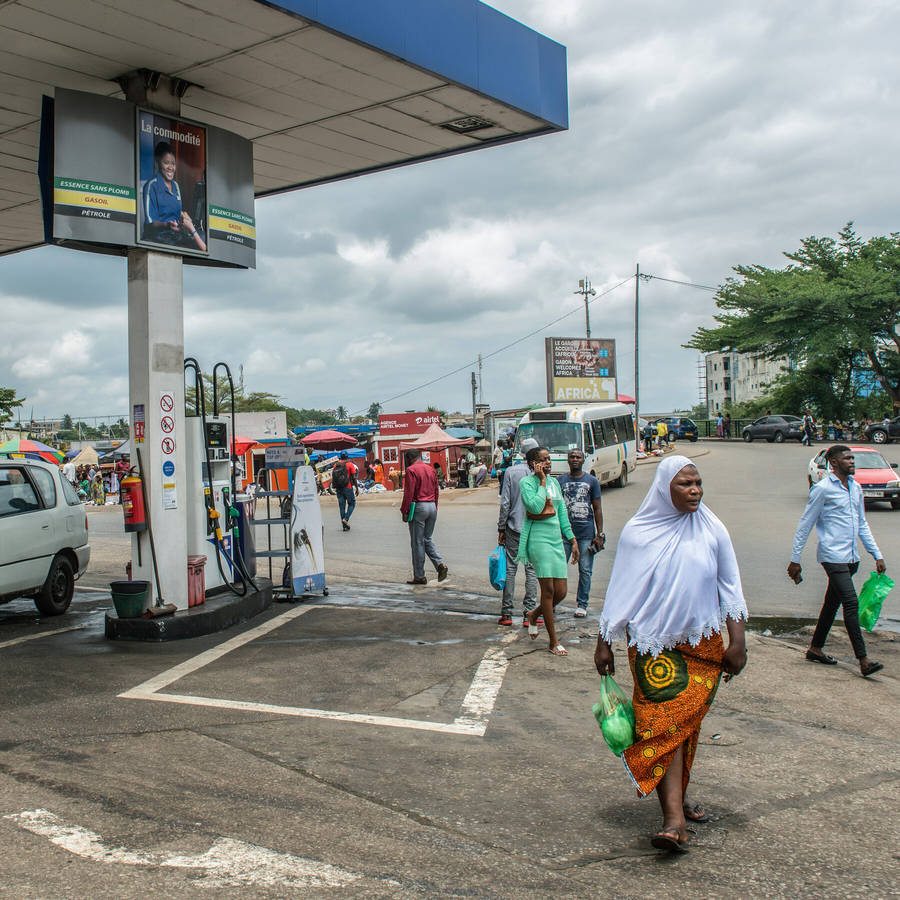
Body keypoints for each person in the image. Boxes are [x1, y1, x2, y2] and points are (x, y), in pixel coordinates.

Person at [594, 455, 748, 852]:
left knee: (683, 727)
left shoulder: (713, 529)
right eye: (685, 484)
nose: (695, 491)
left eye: (698, 483)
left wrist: (738, 641)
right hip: (653, 650)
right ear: (665, 489)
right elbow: (621, 590)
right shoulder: (638, 533)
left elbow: (730, 587)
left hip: (703, 648)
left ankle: (678, 795)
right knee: (662, 727)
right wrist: (604, 640)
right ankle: (673, 819)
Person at [787, 445, 886, 677]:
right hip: (832, 557)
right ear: (833, 462)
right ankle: (863, 660)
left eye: (852, 458)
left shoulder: (856, 488)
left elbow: (862, 524)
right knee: (851, 603)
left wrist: (877, 554)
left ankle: (815, 648)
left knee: (832, 603)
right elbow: (805, 524)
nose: (852, 461)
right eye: (847, 458)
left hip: (851, 558)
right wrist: (795, 559)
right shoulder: (822, 489)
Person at [518, 446, 579, 656]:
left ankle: (534, 614)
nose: (548, 463)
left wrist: (572, 539)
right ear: (533, 463)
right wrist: (542, 481)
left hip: (556, 541)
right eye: (543, 460)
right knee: (549, 591)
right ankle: (553, 641)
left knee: (561, 591)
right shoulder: (527, 483)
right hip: (538, 540)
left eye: (548, 459)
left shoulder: (555, 483)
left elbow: (562, 514)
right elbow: (535, 507)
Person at [497, 437, 539, 627]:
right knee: (531, 571)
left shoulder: (511, 472)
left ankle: (506, 613)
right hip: (534, 529)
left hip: (513, 527)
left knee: (510, 570)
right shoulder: (539, 474)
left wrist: (501, 527)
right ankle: (529, 614)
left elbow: (505, 503)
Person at [557, 449, 604, 618]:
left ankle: (582, 604)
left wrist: (600, 533)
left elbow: (597, 508)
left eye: (578, 457)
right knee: (558, 569)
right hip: (564, 533)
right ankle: (553, 601)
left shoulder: (592, 481)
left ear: (583, 460)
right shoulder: (560, 481)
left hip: (586, 533)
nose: (575, 459)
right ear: (568, 460)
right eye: (572, 457)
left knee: (585, 570)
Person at [143, 141, 207, 251]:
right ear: (158, 163)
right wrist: (167, 225)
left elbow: (177, 214)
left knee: (203, 237)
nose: (171, 167)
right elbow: (150, 222)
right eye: (166, 163)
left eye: (173, 164)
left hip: (175, 237)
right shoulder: (151, 185)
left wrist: (183, 221)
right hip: (158, 239)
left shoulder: (176, 186)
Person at [401, 449, 448, 585]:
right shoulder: (430, 469)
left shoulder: (411, 470)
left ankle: (420, 576)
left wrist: (404, 510)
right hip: (432, 506)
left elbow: (409, 493)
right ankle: (440, 564)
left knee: (417, 542)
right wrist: (435, 507)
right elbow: (436, 490)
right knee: (426, 539)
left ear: (409, 458)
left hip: (419, 507)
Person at [332, 451, 358, 531]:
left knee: (342, 506)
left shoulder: (336, 465)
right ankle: (346, 519)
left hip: (339, 488)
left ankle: (344, 527)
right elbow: (354, 477)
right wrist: (357, 488)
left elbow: (333, 477)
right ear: (347, 456)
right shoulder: (350, 464)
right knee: (352, 503)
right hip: (348, 487)